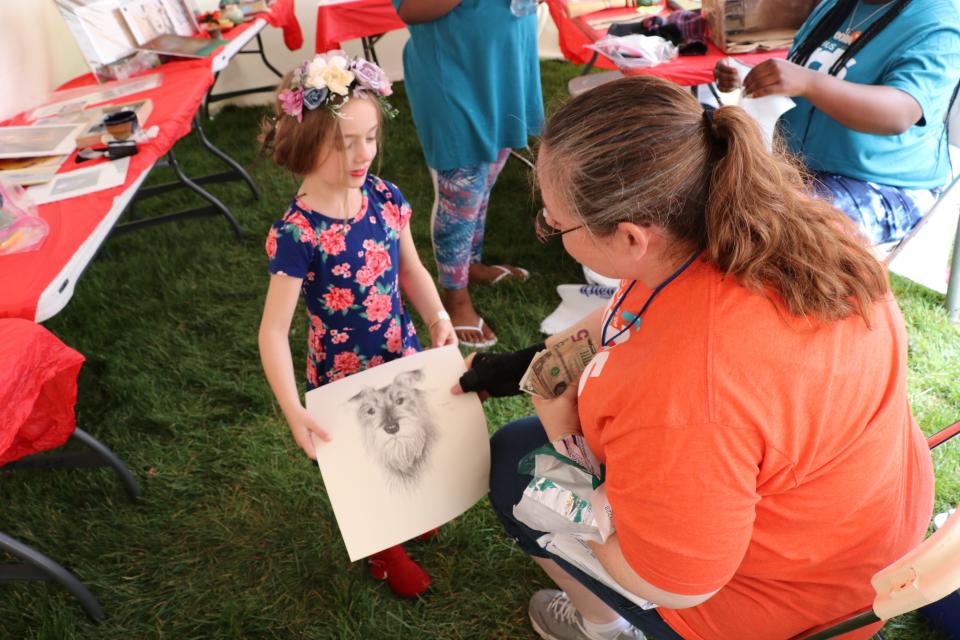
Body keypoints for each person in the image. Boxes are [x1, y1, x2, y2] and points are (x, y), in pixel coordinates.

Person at [457, 76, 935, 640]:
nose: (551, 230)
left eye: (555, 225)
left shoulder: (686, 391)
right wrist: (521, 366)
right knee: (518, 445)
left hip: (783, 607)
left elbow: (675, 582)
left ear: (633, 238)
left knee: (520, 471)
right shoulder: (774, 223)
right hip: (859, 525)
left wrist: (565, 441)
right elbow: (628, 311)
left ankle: (604, 628)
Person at [257, 52, 457, 599]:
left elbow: (411, 270)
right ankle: (384, 551)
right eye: (346, 142)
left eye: (370, 138)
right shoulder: (298, 234)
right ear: (307, 140)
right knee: (363, 464)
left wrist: (437, 316)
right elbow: (272, 331)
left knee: (405, 438)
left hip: (397, 350)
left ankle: (408, 513)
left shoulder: (386, 199)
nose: (363, 153)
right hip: (341, 371)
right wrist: (294, 410)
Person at [714, 0, 960, 245]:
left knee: (775, 229)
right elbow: (808, 72)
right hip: (797, 168)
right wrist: (753, 77)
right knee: (715, 194)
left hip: (883, 184)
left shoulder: (937, 21)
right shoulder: (836, 5)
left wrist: (809, 83)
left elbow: (901, 112)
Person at [391, 0, 546, 348]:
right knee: (460, 196)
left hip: (505, 66)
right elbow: (410, 9)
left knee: (484, 182)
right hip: (456, 74)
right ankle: (454, 296)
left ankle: (469, 265)